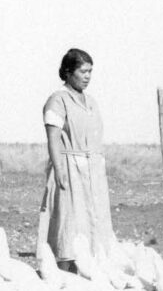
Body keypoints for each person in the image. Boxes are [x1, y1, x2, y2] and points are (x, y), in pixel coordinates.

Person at [39, 48, 116, 272]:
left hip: (92, 170)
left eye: (90, 71)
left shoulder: (90, 101)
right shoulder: (57, 100)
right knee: (69, 221)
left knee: (93, 220)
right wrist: (60, 171)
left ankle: (90, 270)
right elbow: (53, 139)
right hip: (69, 168)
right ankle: (62, 273)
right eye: (83, 71)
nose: (87, 76)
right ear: (68, 72)